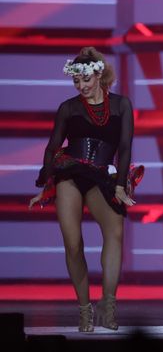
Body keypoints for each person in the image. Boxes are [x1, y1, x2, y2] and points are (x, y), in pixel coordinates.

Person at [29, 47, 143, 332]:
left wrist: (120, 185)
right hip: (70, 173)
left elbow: (126, 147)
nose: (81, 86)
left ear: (99, 74)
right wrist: (45, 182)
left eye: (85, 80)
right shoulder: (68, 108)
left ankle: (108, 303)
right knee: (73, 242)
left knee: (115, 234)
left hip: (104, 176)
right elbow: (52, 147)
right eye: (76, 82)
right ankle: (84, 310)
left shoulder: (121, 105)